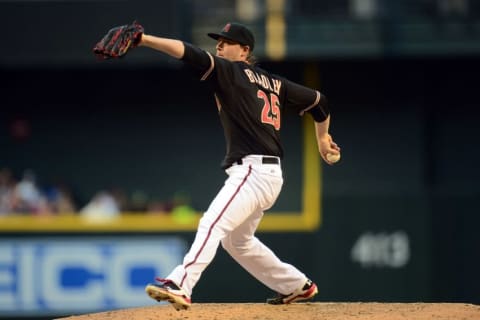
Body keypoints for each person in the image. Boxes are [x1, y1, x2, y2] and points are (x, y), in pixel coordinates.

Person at [109, 22, 340, 310]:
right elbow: (320, 102)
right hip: (269, 175)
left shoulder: (230, 70)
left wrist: (144, 39)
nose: (219, 46)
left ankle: (181, 283)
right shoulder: (275, 82)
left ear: (245, 50)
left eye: (226, 41)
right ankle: (294, 285)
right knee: (237, 242)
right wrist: (322, 140)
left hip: (253, 172)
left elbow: (187, 53)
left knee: (211, 223)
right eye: (218, 41)